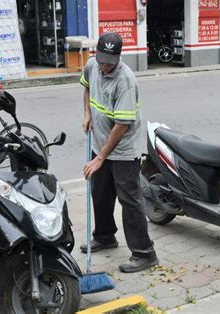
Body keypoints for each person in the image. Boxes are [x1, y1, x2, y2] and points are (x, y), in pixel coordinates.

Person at [80, 32, 158, 273]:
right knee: (100, 193)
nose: (104, 67)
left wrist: (100, 158)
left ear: (118, 58)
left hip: (123, 149)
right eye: (101, 60)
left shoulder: (124, 80)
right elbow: (86, 88)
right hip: (100, 143)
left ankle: (145, 253)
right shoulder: (92, 65)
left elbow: (122, 126)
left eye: (109, 63)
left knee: (129, 200)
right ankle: (105, 236)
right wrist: (88, 114)